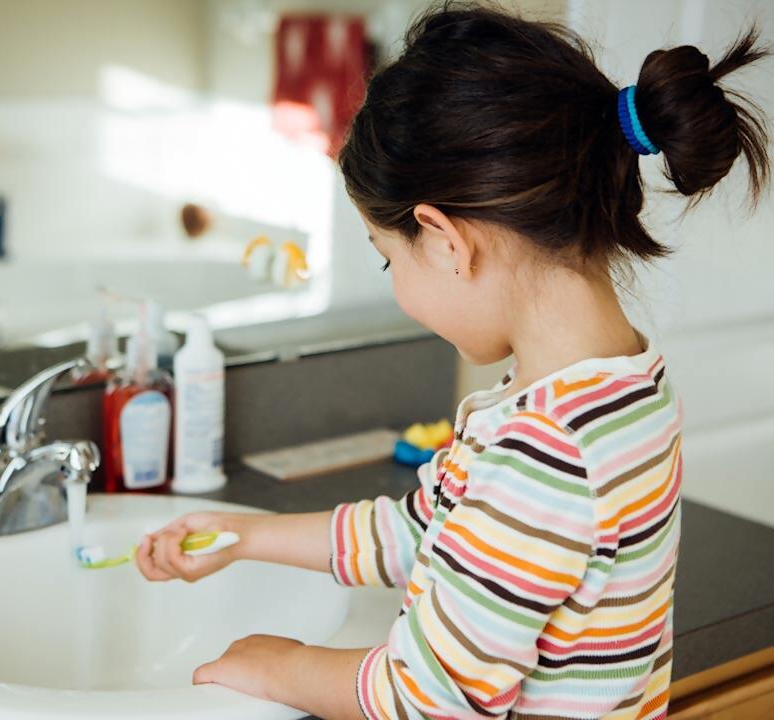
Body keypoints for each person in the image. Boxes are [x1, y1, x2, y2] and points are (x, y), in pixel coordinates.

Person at [137, 5, 769, 719]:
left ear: (442, 238)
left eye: (387, 259)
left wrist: (279, 664)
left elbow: (426, 700)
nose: (395, 282)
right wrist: (246, 536)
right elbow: (424, 531)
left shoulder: (547, 450)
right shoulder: (618, 389)